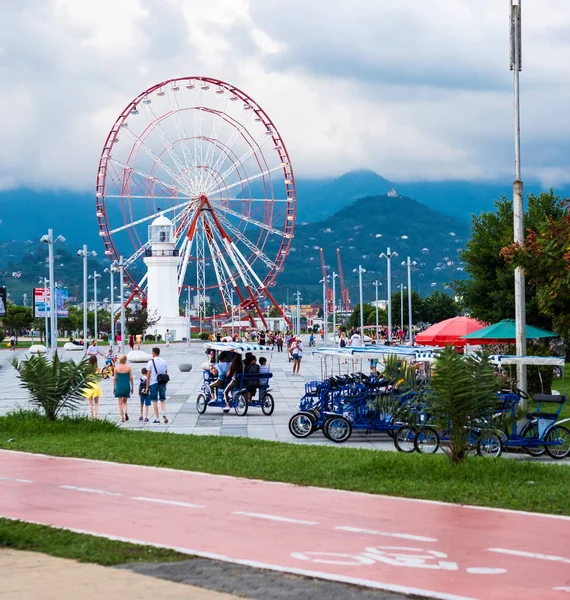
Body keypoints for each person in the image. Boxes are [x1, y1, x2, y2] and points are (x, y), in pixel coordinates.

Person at [145, 347, 169, 423]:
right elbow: (166, 373)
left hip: (153, 383)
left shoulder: (150, 362)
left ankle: (157, 418)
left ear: (153, 353)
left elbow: (148, 375)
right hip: (162, 382)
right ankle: (163, 413)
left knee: (154, 400)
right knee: (162, 399)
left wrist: (147, 387)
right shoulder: (164, 361)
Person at [114, 354, 133, 423]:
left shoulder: (116, 368)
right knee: (125, 401)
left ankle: (122, 417)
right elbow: (131, 378)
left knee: (120, 403)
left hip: (119, 386)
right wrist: (132, 387)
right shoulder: (128, 368)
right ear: (125, 360)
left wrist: (114, 388)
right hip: (126, 385)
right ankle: (125, 412)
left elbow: (115, 379)